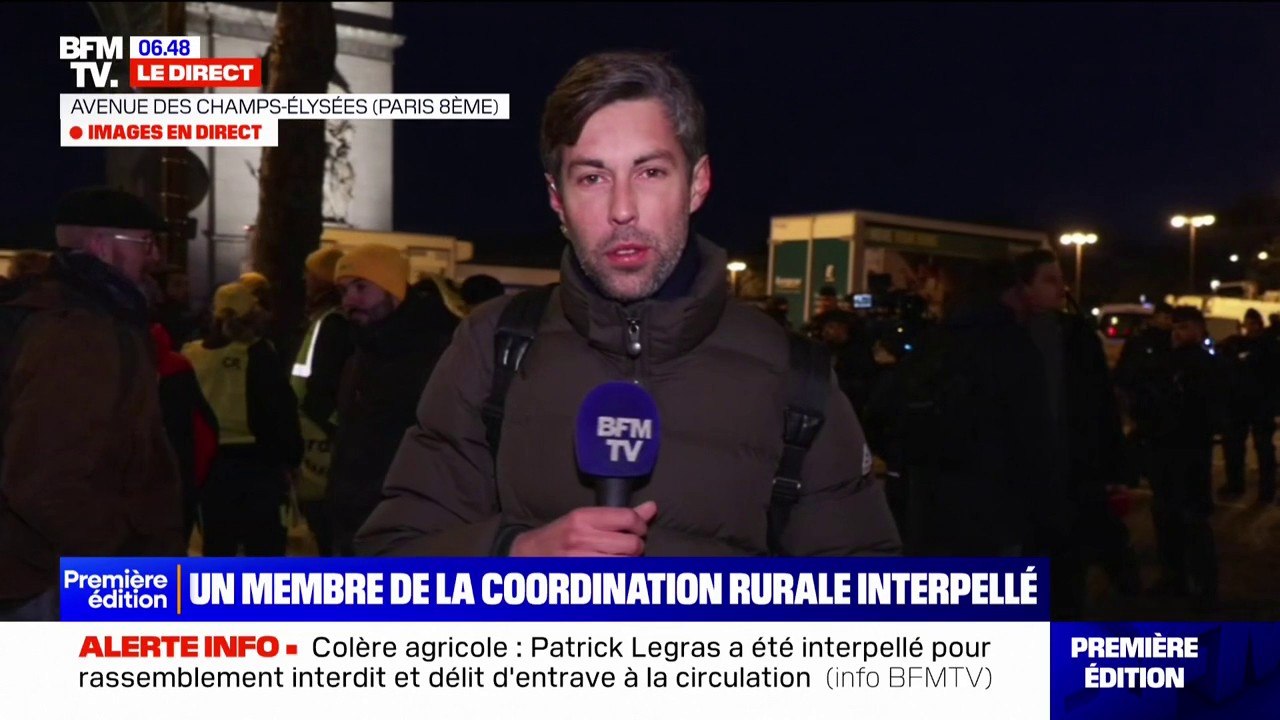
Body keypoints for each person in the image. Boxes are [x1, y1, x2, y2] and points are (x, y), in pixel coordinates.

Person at [356, 51, 900, 558]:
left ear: (697, 183)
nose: (622, 209)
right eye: (592, 177)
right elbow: (392, 556)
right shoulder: (492, 346)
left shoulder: (797, 376)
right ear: (557, 201)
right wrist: (512, 554)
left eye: (650, 172)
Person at [0, 187, 185, 620]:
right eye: (146, 242)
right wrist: (119, 562)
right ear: (102, 246)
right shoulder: (79, 331)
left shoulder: (89, 316)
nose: (155, 257)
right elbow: (47, 479)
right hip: (54, 578)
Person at [327, 244, 456, 556]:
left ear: (394, 290)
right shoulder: (361, 351)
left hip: (409, 525)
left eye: (361, 287)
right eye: (344, 291)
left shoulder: (437, 351)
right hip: (353, 520)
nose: (350, 301)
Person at [183, 282, 302, 557]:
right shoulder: (259, 353)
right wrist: (293, 458)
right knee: (264, 549)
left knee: (218, 546)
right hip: (259, 464)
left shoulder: (191, 354)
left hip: (210, 466)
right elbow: (281, 410)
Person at [1147, 306, 1223, 608]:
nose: (1177, 333)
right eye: (1175, 327)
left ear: (1199, 329)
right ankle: (1174, 577)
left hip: (1190, 451)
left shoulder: (1204, 365)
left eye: (1184, 327)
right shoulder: (1168, 360)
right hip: (1166, 449)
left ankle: (1204, 587)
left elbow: (1205, 408)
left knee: (1193, 519)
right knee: (1166, 516)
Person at [290, 246, 353, 556]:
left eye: (310, 275)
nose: (305, 280)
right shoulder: (330, 320)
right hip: (322, 450)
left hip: (321, 454)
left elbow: (320, 390)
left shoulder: (332, 324)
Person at [1216, 308, 1277, 504]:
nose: (1251, 328)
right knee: (1234, 447)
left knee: (1264, 449)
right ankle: (1235, 483)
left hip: (1261, 404)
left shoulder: (1268, 345)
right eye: (1248, 324)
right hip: (1239, 404)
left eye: (1254, 324)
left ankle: (1266, 491)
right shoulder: (1238, 343)